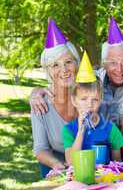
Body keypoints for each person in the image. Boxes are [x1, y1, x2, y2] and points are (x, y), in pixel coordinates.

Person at [31, 18, 80, 178]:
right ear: (48, 70)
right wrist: (58, 165)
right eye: (55, 65)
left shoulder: (90, 92)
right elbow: (40, 149)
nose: (64, 70)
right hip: (61, 168)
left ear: (77, 64)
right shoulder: (41, 103)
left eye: (68, 62)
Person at [62, 52, 123, 164]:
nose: (89, 104)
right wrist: (81, 130)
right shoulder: (68, 130)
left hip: (105, 179)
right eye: (84, 99)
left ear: (100, 101)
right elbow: (71, 162)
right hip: (79, 179)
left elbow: (118, 163)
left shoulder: (111, 129)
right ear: (74, 101)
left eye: (95, 99)